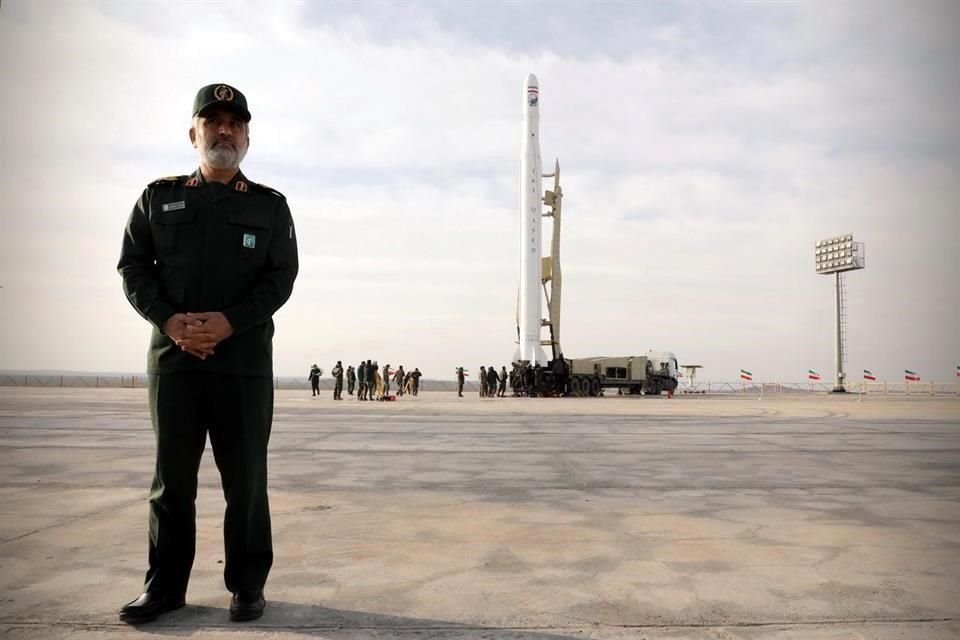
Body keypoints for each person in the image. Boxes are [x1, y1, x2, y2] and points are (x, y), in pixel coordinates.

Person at [117, 84, 297, 624]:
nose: (225, 130)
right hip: (174, 363)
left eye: (235, 123)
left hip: (242, 365)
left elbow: (280, 277)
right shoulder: (158, 198)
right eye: (213, 121)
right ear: (193, 133)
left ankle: (247, 585)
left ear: (247, 138)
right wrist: (169, 321)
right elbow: (133, 267)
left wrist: (230, 321)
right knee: (171, 481)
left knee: (246, 480)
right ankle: (164, 588)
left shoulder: (269, 206)